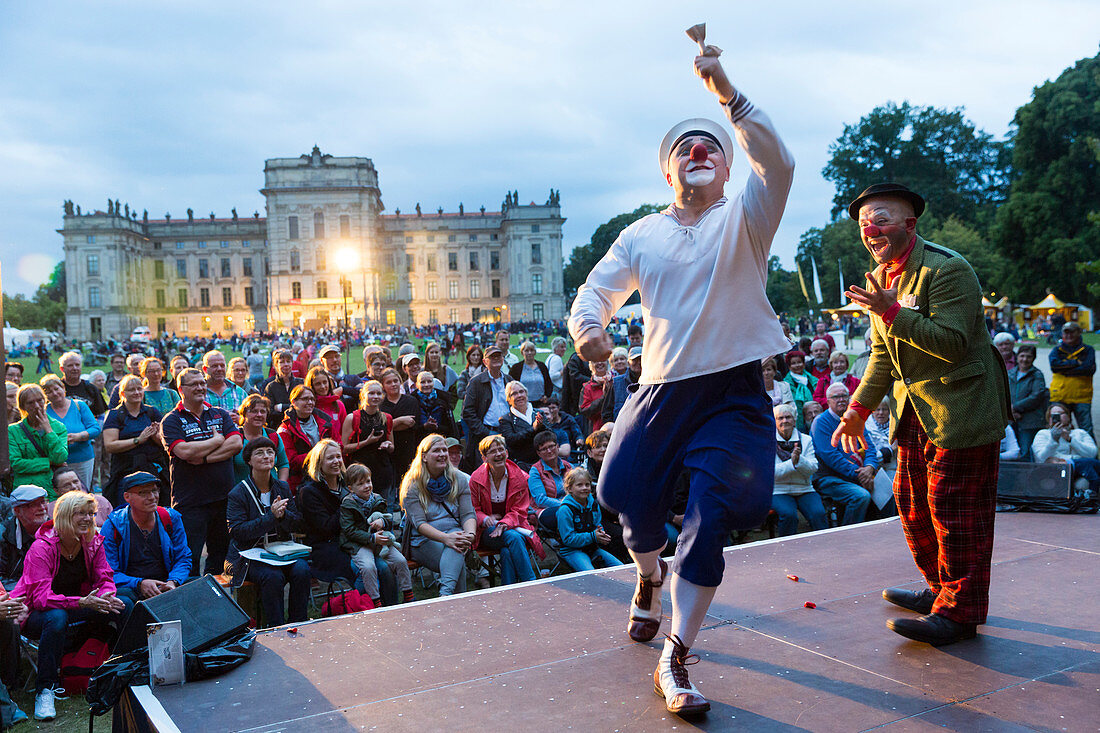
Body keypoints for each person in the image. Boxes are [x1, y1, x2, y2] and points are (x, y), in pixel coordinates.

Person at [568, 41, 795, 715]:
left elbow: (776, 159)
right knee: (621, 492)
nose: (699, 152)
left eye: (712, 147)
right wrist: (589, 332)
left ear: (728, 167)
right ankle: (647, 577)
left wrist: (721, 89)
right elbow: (595, 290)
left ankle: (676, 653)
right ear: (668, 170)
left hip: (733, 394)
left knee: (715, 511)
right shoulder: (641, 233)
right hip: (661, 389)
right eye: (686, 148)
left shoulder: (747, 217)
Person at [834, 182, 1011, 647]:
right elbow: (881, 355)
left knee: (956, 513)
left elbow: (952, 343)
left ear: (909, 225)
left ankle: (958, 614)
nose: (870, 228)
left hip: (962, 409)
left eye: (881, 219)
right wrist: (857, 408)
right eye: (863, 223)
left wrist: (893, 312)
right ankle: (939, 590)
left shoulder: (948, 270)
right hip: (914, 413)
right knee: (912, 506)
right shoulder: (882, 275)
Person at [14, 491, 131, 721]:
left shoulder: (92, 542)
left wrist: (107, 595)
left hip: (79, 605)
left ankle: (125, 669)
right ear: (66, 516)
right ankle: (44, 690)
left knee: (123, 603)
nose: (89, 519)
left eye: (91, 513)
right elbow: (40, 598)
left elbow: (105, 577)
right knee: (56, 617)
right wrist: (81, 602)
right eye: (82, 513)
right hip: (38, 614)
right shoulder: (41, 548)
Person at [160, 367, 243, 577]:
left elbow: (235, 443)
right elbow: (184, 451)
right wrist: (216, 440)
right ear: (181, 389)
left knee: (220, 555)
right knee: (189, 558)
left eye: (202, 383)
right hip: (191, 503)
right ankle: (191, 604)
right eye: (194, 384)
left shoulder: (219, 414)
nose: (200, 387)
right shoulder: (171, 420)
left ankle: (216, 602)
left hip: (223, 499)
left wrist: (204, 457)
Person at [225, 437, 310, 627]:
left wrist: (282, 515)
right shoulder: (238, 493)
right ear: (248, 460)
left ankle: (298, 624)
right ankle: (276, 627)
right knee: (273, 577)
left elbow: (298, 524)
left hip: (280, 551)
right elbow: (237, 532)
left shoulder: (282, 487)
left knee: (302, 570)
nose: (266, 456)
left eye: (270, 452)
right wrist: (271, 517)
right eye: (260, 453)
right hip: (247, 557)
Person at [399, 434, 477, 597]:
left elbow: (468, 514)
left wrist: (470, 534)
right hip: (422, 540)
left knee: (457, 547)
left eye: (444, 450)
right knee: (457, 553)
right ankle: (450, 598)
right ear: (424, 457)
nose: (442, 454)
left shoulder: (459, 479)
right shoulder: (412, 484)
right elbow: (419, 524)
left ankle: (446, 596)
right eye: (436, 450)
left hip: (455, 535)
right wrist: (446, 538)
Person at [101, 471, 191, 605]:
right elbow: (109, 571)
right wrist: (139, 583)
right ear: (127, 497)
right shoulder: (113, 525)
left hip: (166, 583)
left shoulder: (171, 518)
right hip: (131, 587)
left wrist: (173, 581)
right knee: (123, 599)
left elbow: (183, 558)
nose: (152, 497)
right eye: (143, 493)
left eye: (154, 490)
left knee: (202, 586)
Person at [468, 435, 542, 585]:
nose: (498, 454)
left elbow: (520, 510)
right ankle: (531, 583)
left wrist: (503, 524)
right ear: (484, 458)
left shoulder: (519, 476)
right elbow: (472, 510)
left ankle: (507, 588)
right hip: (486, 530)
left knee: (507, 550)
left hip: (513, 525)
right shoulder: (475, 479)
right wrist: (486, 518)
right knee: (513, 538)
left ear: (507, 453)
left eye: (501, 449)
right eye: (492, 451)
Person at [340, 463, 414, 605]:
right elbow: (349, 530)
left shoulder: (377, 499)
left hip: (380, 541)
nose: (367, 486)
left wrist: (382, 521)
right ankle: (375, 600)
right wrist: (371, 538)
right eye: (360, 484)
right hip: (359, 544)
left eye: (368, 481)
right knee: (368, 567)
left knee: (400, 560)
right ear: (351, 489)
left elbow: (389, 519)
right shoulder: (347, 505)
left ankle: (408, 594)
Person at [812, 382, 877, 525]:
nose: (841, 399)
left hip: (860, 474)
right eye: (836, 397)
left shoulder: (855, 419)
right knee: (861, 496)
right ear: (828, 401)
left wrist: (870, 467)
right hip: (830, 478)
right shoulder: (821, 422)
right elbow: (830, 456)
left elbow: (870, 448)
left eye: (844, 396)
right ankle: (848, 535)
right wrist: (860, 474)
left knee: (891, 490)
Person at [101, 374, 169, 505]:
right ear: (122, 393)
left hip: (153, 471)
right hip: (125, 472)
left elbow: (165, 443)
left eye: (139, 389)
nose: (137, 392)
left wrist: (155, 437)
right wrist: (138, 440)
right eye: (132, 390)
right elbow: (110, 445)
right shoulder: (115, 415)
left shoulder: (152, 412)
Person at [772, 403, 825, 537]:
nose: (785, 421)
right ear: (775, 421)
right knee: (789, 515)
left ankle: (825, 546)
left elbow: (813, 468)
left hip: (804, 489)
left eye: (788, 417)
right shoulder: (768, 442)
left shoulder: (806, 440)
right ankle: (787, 551)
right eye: (780, 418)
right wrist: (792, 463)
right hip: (778, 490)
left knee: (818, 513)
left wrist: (800, 460)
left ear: (795, 420)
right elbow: (770, 474)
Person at [555, 467, 622, 572]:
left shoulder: (594, 504)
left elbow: (597, 524)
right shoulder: (565, 510)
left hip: (592, 548)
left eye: (587, 484)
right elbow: (568, 539)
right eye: (579, 485)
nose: (584, 488)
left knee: (621, 568)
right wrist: (593, 536)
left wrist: (601, 534)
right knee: (591, 574)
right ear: (570, 488)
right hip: (572, 550)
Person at [41, 374, 100, 491]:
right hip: (58, 462)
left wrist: (78, 436)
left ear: (63, 388)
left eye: (56, 389)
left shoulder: (79, 405)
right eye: (49, 391)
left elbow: (95, 428)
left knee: (82, 491)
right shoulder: (45, 411)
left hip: (83, 459)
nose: (54, 393)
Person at [342, 380, 396, 507]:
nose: (375, 397)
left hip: (383, 471)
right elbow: (344, 448)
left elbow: (392, 446)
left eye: (378, 393)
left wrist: (387, 445)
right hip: (360, 474)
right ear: (363, 395)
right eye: (371, 393)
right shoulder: (353, 418)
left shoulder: (386, 418)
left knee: (383, 510)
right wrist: (366, 442)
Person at [278, 384, 338, 494]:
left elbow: (338, 445)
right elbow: (291, 461)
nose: (310, 402)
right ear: (294, 402)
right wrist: (319, 454)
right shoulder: (285, 429)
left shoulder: (325, 422)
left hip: (328, 479)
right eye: (305, 399)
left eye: (312, 399)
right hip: (301, 483)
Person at [460, 345, 513, 470]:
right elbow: (468, 412)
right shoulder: (476, 382)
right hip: (486, 435)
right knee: (486, 472)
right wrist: (486, 432)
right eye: (492, 356)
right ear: (485, 361)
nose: (496, 359)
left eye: (498, 356)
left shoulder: (509, 380)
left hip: (507, 434)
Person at [9, 384, 68, 496]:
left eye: (40, 400)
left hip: (53, 490)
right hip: (27, 491)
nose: (36, 406)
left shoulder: (58, 427)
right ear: (23, 407)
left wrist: (48, 431)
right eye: (30, 403)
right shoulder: (13, 431)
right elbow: (16, 463)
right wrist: (48, 462)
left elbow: (60, 457)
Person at [1030, 403, 1100, 493]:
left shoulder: (1080, 433)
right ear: (1049, 419)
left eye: (1061, 413)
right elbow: (1041, 458)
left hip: (1078, 474)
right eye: (1054, 415)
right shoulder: (1043, 434)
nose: (1057, 417)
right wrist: (1054, 440)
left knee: (1083, 484)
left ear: (1068, 416)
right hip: (1053, 473)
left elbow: (1092, 454)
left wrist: (1071, 439)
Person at [1049, 322, 1095, 439]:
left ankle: (1091, 456)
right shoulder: (1056, 350)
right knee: (1058, 428)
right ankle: (1061, 454)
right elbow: (1054, 367)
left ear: (1079, 332)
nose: (1068, 335)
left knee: (1086, 430)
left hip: (1082, 397)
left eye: (1072, 332)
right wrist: (1076, 363)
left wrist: (1064, 369)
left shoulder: (1088, 350)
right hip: (1060, 397)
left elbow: (1088, 369)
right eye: (1066, 332)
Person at [233, 394, 290, 485]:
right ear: (244, 414)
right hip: (242, 494)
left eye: (263, 411)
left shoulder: (272, 436)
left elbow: (283, 464)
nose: (259, 415)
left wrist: (281, 486)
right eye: (254, 411)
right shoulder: (235, 437)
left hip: (272, 491)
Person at [1, 486, 50, 590]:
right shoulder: (4, 536)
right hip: (15, 594)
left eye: (43, 502)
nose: (42, 508)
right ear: (17, 511)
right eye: (33, 505)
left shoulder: (56, 531)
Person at [379, 368, 422, 481]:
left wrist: (390, 425)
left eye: (395, 381)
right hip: (389, 453)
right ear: (383, 386)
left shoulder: (411, 401)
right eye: (388, 382)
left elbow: (410, 423)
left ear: (400, 382)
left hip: (408, 449)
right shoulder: (381, 406)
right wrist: (400, 420)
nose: (393, 384)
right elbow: (380, 428)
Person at [1008, 343, 1048, 461]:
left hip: (1030, 421)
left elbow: (1036, 396)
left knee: (1026, 451)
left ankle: (1026, 478)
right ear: (1017, 357)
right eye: (1022, 356)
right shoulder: (1010, 373)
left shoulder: (1037, 375)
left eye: (1029, 357)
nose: (1025, 359)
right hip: (1011, 419)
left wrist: (1014, 407)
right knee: (1012, 451)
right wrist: (1010, 411)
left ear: (1033, 358)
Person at [527, 430, 573, 531]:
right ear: (539, 453)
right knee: (564, 512)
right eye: (544, 449)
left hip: (571, 506)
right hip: (545, 510)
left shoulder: (568, 466)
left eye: (551, 446)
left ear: (557, 446)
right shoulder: (535, 471)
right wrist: (566, 504)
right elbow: (541, 500)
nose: (549, 451)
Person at [496, 381, 546, 471]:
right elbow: (511, 440)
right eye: (514, 393)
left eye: (521, 392)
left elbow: (550, 434)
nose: (519, 395)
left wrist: (541, 426)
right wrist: (533, 429)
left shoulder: (539, 413)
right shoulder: (505, 420)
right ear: (509, 399)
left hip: (543, 461)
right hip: (521, 465)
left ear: (526, 394)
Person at [263, 348, 303, 430]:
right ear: (276, 365)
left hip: (299, 427)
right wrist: (293, 408)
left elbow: (303, 407)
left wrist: (281, 407)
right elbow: (269, 413)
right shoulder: (270, 387)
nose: (286, 364)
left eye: (288, 361)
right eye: (282, 362)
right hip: (277, 427)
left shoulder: (300, 384)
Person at [602, 346, 643, 424]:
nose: (638, 362)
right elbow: (606, 413)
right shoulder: (616, 383)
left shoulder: (651, 383)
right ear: (628, 363)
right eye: (634, 360)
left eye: (641, 359)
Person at [413, 370, 458, 438]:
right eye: (422, 382)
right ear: (417, 385)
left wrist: (437, 427)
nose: (426, 385)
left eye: (429, 381)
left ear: (433, 383)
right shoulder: (412, 401)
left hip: (441, 438)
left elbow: (450, 427)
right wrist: (424, 426)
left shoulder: (443, 400)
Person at [510, 340, 554, 407]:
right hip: (523, 404)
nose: (529, 353)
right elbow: (511, 385)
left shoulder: (542, 366)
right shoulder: (516, 368)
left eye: (532, 350)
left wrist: (547, 396)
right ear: (522, 352)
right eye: (526, 351)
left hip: (540, 403)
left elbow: (549, 383)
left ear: (535, 352)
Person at [542, 396, 584, 462]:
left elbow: (576, 430)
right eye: (549, 408)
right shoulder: (545, 424)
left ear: (558, 408)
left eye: (553, 408)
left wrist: (579, 438)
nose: (552, 410)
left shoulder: (567, 419)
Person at [782, 350, 817, 431]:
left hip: (814, 418)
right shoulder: (786, 384)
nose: (797, 365)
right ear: (789, 366)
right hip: (797, 422)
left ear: (804, 363)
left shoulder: (814, 380)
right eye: (793, 363)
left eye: (799, 362)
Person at [306, 365, 347, 431]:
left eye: (325, 382)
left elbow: (345, 432)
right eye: (318, 384)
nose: (322, 386)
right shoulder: (309, 407)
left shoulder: (339, 405)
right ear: (312, 386)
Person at [578, 359, 611, 433]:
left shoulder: (615, 381)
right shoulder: (587, 387)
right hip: (597, 430)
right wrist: (603, 398)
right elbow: (584, 411)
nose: (599, 362)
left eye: (602, 359)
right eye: (595, 361)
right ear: (591, 365)